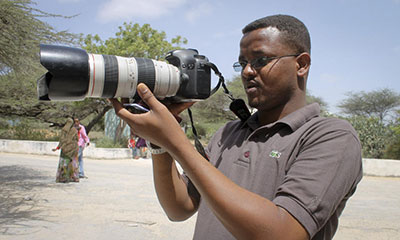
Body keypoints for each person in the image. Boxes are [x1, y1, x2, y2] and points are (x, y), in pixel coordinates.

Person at [109, 14, 363, 240]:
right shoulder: (229, 134)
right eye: (242, 63)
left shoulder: (331, 137)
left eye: (261, 60)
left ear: (301, 64)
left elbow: (282, 233)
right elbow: (179, 207)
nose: (247, 71)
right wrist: (159, 145)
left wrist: (176, 142)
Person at [53, 118, 80, 183]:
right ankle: (74, 178)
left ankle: (63, 177)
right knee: (73, 163)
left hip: (65, 149)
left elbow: (62, 140)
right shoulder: (75, 130)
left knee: (64, 163)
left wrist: (58, 147)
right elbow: (77, 139)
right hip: (74, 149)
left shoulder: (64, 130)